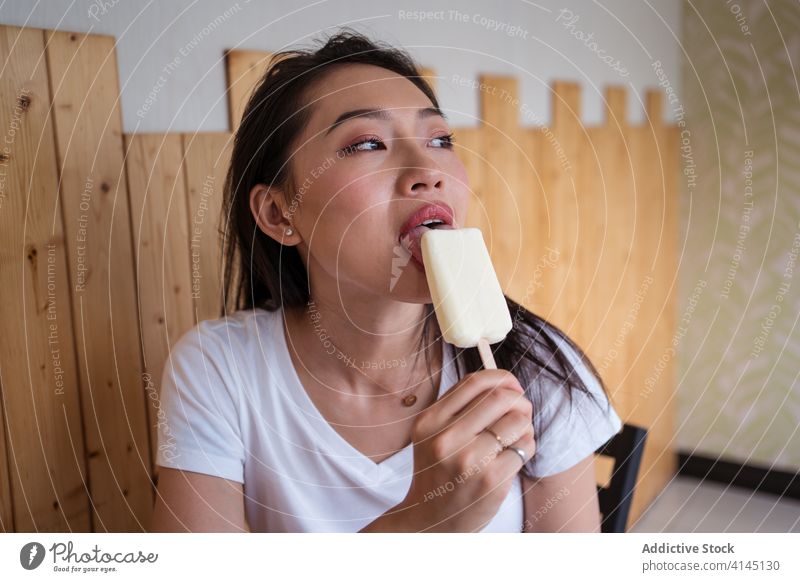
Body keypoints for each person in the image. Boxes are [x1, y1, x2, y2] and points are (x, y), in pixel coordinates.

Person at [150, 28, 622, 533]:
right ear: (278, 212)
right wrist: (422, 523)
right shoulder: (218, 370)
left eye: (440, 140)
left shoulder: (534, 365)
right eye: (367, 143)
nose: (428, 170)